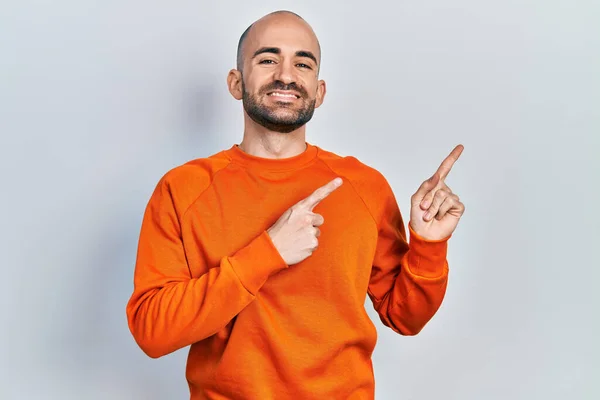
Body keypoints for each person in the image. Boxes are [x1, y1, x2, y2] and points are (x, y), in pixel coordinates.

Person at [126, 10, 465, 400]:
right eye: (268, 59)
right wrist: (267, 252)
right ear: (236, 83)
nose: (286, 75)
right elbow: (151, 332)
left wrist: (428, 245)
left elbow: (405, 317)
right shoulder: (183, 189)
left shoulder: (363, 186)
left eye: (302, 63)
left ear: (319, 91)